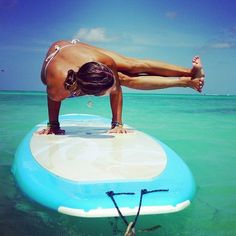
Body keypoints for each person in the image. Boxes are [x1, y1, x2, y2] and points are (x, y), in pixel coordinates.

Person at [38, 39, 205, 135]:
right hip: (59, 56)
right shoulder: (57, 89)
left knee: (131, 67)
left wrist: (117, 123)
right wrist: (53, 125)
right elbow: (53, 100)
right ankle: (185, 82)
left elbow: (116, 90)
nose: (114, 91)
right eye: (107, 91)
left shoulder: (104, 61)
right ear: (91, 93)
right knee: (125, 79)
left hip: (75, 49)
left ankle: (190, 72)